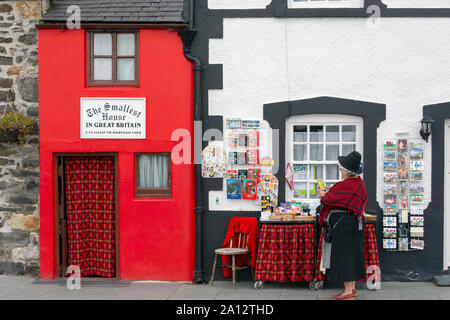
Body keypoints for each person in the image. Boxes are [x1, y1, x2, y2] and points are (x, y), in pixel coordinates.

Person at [318, 151, 368, 300]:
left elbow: (328, 200)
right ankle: (351, 289)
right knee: (352, 256)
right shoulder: (359, 183)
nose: (341, 172)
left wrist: (322, 195)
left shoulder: (344, 185)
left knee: (345, 258)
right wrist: (329, 193)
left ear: (347, 171)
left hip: (343, 225)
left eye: (341, 170)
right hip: (354, 224)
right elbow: (343, 198)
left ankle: (348, 292)